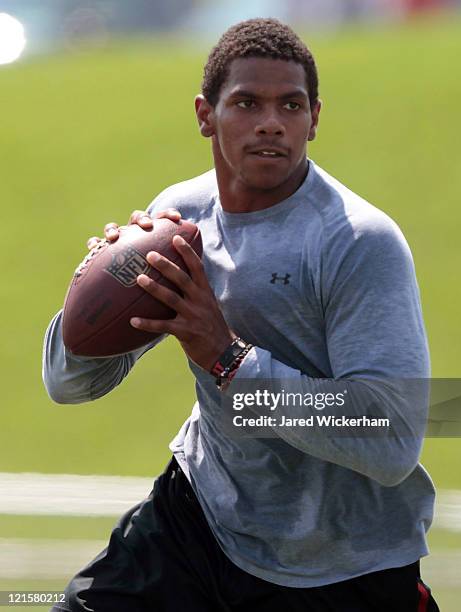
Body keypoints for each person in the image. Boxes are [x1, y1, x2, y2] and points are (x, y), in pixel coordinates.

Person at [43, 18, 440, 612]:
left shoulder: (358, 242)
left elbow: (393, 440)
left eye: (292, 104)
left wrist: (229, 360)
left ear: (315, 118)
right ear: (206, 115)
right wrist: (90, 298)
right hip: (203, 517)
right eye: (247, 103)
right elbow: (71, 387)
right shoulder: (179, 220)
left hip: (341, 561)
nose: (272, 122)